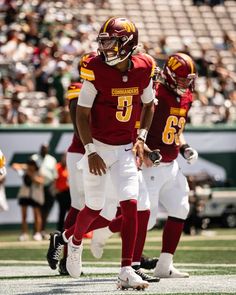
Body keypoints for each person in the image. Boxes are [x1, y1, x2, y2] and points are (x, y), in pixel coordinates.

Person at [47, 16, 155, 290]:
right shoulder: (95, 68)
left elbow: (149, 104)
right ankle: (74, 240)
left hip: (126, 149)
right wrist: (91, 150)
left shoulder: (144, 67)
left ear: (128, 43)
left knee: (130, 204)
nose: (105, 48)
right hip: (99, 147)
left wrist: (141, 137)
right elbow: (82, 114)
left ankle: (126, 270)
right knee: (94, 206)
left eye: (111, 42)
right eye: (104, 42)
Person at [141, 52, 198, 278]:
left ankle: (164, 265)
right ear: (171, 75)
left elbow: (177, 129)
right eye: (183, 79)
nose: (187, 84)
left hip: (171, 162)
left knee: (181, 207)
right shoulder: (156, 93)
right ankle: (101, 231)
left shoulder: (186, 97)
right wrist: (143, 150)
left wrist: (185, 147)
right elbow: (139, 125)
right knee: (146, 220)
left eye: (189, 79)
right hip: (151, 164)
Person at [12, 158, 44, 241]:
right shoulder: (26, 169)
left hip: (35, 195)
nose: (31, 166)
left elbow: (41, 181)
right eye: (30, 164)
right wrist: (24, 168)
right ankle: (24, 234)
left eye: (32, 164)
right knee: (24, 215)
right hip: (25, 194)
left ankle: (37, 233)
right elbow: (14, 165)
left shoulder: (39, 171)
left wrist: (31, 175)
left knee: (37, 215)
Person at [31, 144, 57, 239]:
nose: (44, 150)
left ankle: (42, 230)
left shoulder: (52, 159)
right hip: (37, 186)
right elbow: (30, 171)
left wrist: (53, 187)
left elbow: (54, 175)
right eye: (43, 148)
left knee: (47, 209)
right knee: (38, 209)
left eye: (46, 149)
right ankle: (36, 230)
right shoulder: (34, 158)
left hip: (48, 186)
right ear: (40, 149)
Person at [54, 153, 71, 232]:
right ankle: (60, 230)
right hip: (61, 193)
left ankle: (69, 229)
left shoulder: (70, 167)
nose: (65, 159)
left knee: (71, 212)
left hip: (69, 193)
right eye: (64, 157)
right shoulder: (57, 167)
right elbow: (54, 179)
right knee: (62, 212)